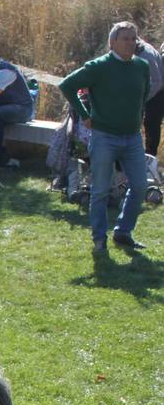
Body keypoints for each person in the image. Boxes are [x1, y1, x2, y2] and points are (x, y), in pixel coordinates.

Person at [59, 21, 153, 253]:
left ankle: (123, 232)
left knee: (140, 186)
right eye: (125, 39)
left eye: (133, 39)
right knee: (100, 190)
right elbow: (67, 85)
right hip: (104, 136)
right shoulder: (99, 67)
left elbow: (144, 94)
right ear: (112, 42)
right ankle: (99, 238)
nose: (131, 43)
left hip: (132, 138)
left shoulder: (141, 66)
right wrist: (84, 115)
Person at [137, 35, 164, 158]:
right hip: (148, 89)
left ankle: (150, 157)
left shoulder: (146, 55)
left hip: (157, 92)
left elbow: (157, 82)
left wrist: (141, 99)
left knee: (151, 123)